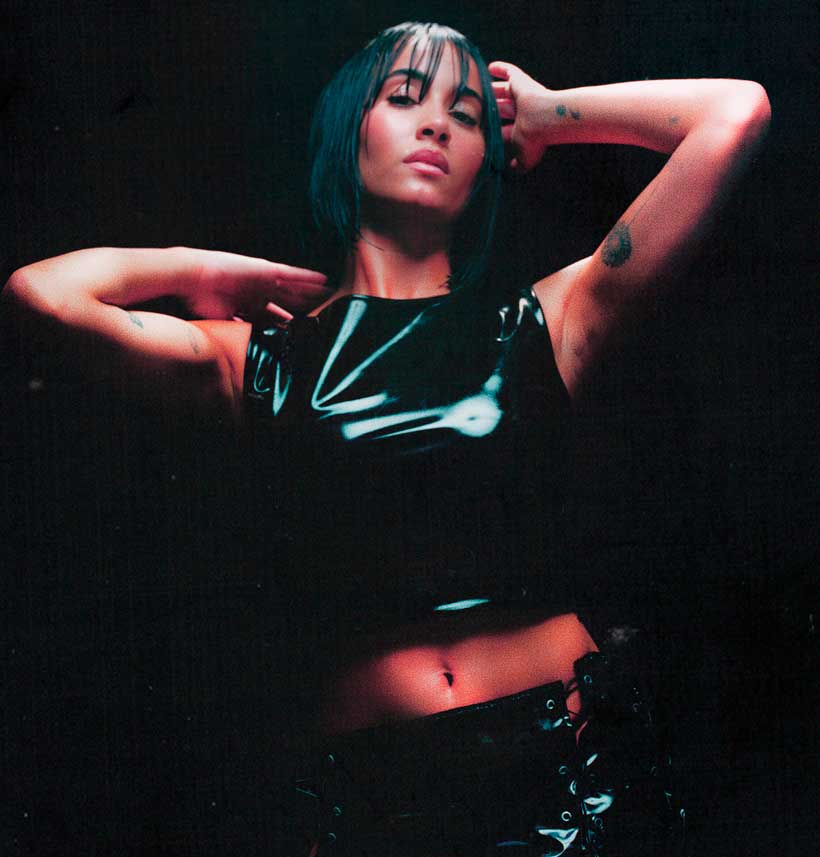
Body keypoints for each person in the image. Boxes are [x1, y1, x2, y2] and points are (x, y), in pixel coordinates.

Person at [2, 20, 769, 857]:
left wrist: (547, 113)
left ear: (488, 160)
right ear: (347, 134)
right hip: (376, 806)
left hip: (576, 781)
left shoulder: (548, 321)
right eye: (404, 98)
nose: (436, 123)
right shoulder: (260, 361)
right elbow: (42, 295)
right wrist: (203, 271)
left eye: (467, 114)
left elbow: (733, 113)